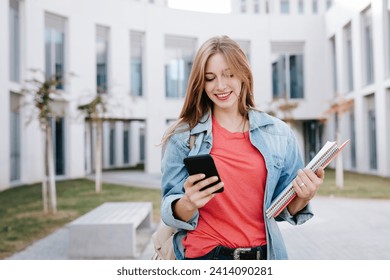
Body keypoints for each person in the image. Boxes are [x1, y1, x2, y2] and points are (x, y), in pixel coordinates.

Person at [160, 35, 324, 260]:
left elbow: (284, 209)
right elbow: (169, 209)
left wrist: (305, 196)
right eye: (210, 78)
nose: (220, 86)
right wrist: (188, 203)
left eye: (229, 74)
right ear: (201, 82)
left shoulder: (278, 133)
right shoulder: (182, 136)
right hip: (204, 256)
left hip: (264, 257)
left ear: (243, 75)